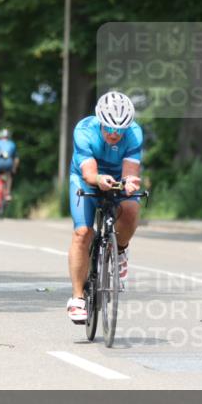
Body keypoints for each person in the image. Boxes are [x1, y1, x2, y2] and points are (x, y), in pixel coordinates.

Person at [66, 91, 143, 324]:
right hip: (85, 178)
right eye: (109, 128)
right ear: (100, 121)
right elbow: (89, 173)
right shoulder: (83, 130)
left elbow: (130, 173)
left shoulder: (135, 134)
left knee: (130, 210)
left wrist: (129, 183)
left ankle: (119, 251)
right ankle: (78, 298)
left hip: (117, 178)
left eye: (120, 130)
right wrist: (99, 179)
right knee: (83, 233)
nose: (114, 134)